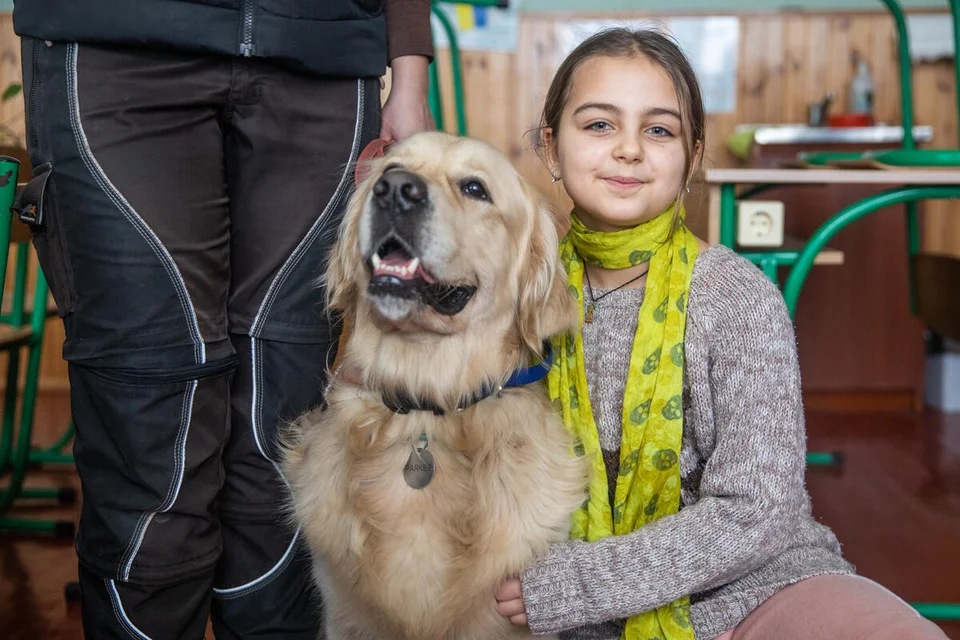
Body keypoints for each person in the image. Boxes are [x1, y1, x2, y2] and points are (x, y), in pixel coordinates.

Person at [494, 28, 948, 640]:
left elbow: (758, 514)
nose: (629, 149)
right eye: (599, 125)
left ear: (692, 156)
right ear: (551, 146)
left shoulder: (734, 298)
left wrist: (577, 585)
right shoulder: (515, 293)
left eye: (659, 130)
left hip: (752, 591)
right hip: (559, 612)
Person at [12, 1, 434, 638]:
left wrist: (411, 73)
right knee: (152, 436)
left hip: (321, 55)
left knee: (280, 434)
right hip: (115, 46)